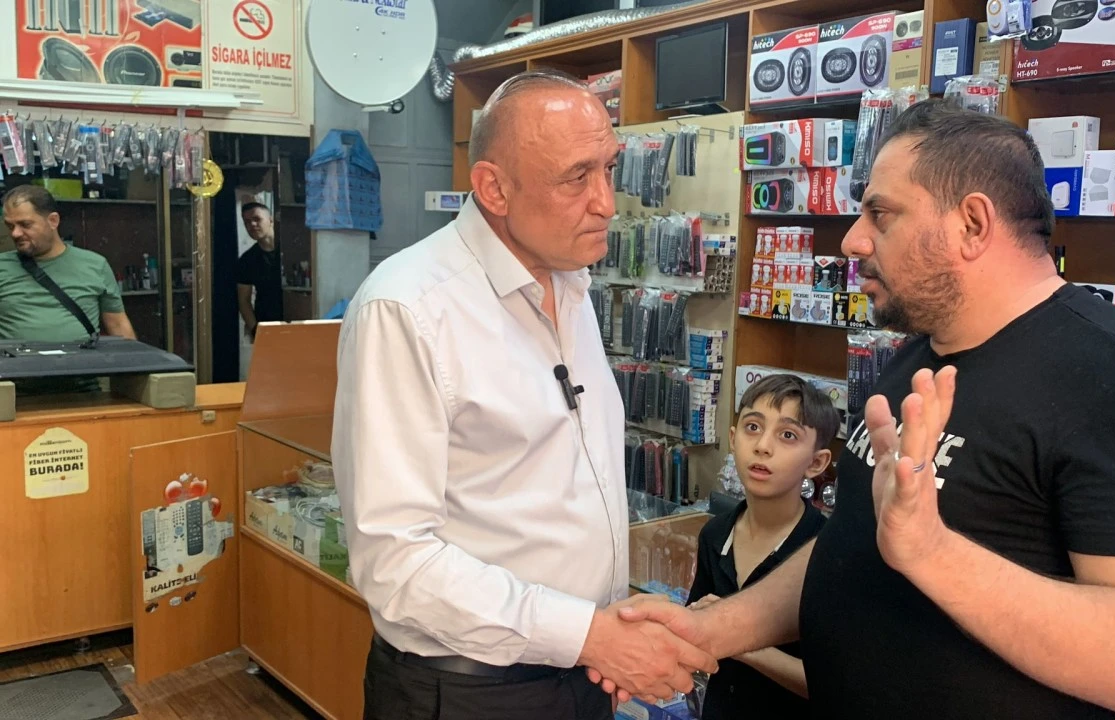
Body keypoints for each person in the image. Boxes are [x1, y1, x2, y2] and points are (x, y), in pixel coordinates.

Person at [598, 99, 1115, 720]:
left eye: (881, 214)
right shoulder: (919, 356)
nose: (852, 240)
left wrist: (933, 552)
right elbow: (853, 548)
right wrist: (716, 628)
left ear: (971, 224)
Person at [330, 69, 715, 720]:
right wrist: (588, 634)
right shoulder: (408, 310)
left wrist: (604, 630)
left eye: (609, 169)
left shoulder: (571, 284)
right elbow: (395, 562)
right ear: (494, 188)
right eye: (575, 177)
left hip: (581, 671)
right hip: (469, 692)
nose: (606, 203)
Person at [686, 373, 837, 720]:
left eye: (787, 435)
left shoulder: (826, 551)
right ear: (733, 438)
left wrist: (736, 638)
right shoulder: (715, 534)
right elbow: (696, 640)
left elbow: (834, 683)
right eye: (753, 427)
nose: (763, 446)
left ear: (816, 462)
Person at [0, 186, 136, 392]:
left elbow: (118, 325)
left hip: (82, 386)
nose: (16, 233)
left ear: (53, 221)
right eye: (10, 226)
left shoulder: (95, 265)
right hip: (15, 389)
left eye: (25, 224)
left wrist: (134, 379)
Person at [235, 201, 283, 341]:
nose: (252, 224)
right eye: (247, 222)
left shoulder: (290, 248)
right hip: (267, 325)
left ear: (271, 220)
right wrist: (256, 330)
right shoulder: (247, 260)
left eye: (257, 219)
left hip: (298, 321)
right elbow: (243, 300)